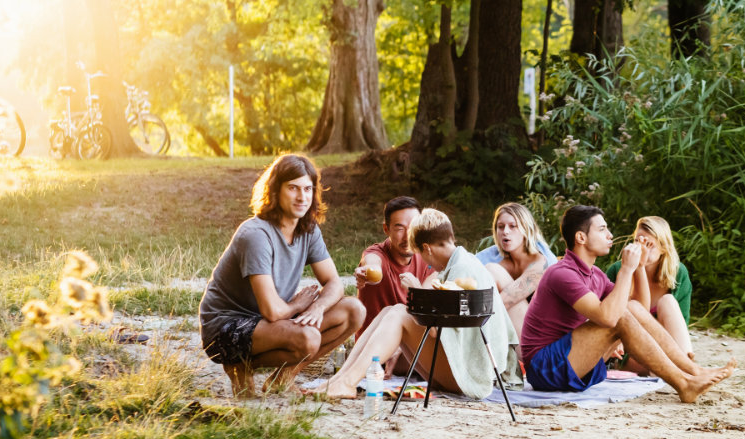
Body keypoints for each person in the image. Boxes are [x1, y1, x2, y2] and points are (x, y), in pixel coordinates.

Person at [519, 205, 734, 402]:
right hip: (545, 367)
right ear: (581, 237)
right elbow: (610, 318)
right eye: (602, 229)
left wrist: (638, 267)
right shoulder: (562, 273)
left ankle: (694, 372)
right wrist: (626, 269)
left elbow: (639, 308)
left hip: (569, 361)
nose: (610, 235)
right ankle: (684, 384)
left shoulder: (595, 275)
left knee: (628, 309)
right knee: (618, 315)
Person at [198, 154, 365, 397]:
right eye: (293, 188)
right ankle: (238, 365)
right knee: (308, 338)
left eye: (308, 189)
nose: (302, 197)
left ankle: (282, 379)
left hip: (271, 322)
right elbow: (272, 311)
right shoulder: (256, 235)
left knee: (353, 311)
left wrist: (317, 307)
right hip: (226, 327)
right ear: (276, 191)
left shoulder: (308, 230)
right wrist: (297, 305)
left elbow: (334, 283)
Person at [321, 208, 521, 400]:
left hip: (469, 378)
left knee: (399, 314)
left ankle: (346, 382)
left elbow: (434, 331)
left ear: (427, 248)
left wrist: (416, 291)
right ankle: (341, 379)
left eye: (421, 254)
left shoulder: (463, 269)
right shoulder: (463, 262)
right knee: (392, 310)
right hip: (465, 369)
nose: (426, 262)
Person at [606, 216, 695, 360]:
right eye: (637, 242)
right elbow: (607, 316)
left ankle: (688, 367)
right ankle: (687, 371)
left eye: (648, 244)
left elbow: (681, 325)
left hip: (667, 349)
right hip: (630, 352)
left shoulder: (678, 273)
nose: (642, 249)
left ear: (663, 248)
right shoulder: (618, 270)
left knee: (668, 301)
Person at [476, 202, 557, 340]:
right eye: (500, 227)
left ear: (526, 229)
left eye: (513, 226)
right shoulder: (495, 256)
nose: (505, 231)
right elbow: (464, 265)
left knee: (493, 274)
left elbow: (500, 304)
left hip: (541, 337)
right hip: (506, 329)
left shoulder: (541, 263)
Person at [352, 196, 429, 336]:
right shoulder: (376, 253)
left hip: (411, 346)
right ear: (386, 229)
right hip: (376, 348)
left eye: (413, 228)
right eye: (400, 228)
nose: (407, 237)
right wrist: (367, 272)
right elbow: (373, 265)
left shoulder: (427, 258)